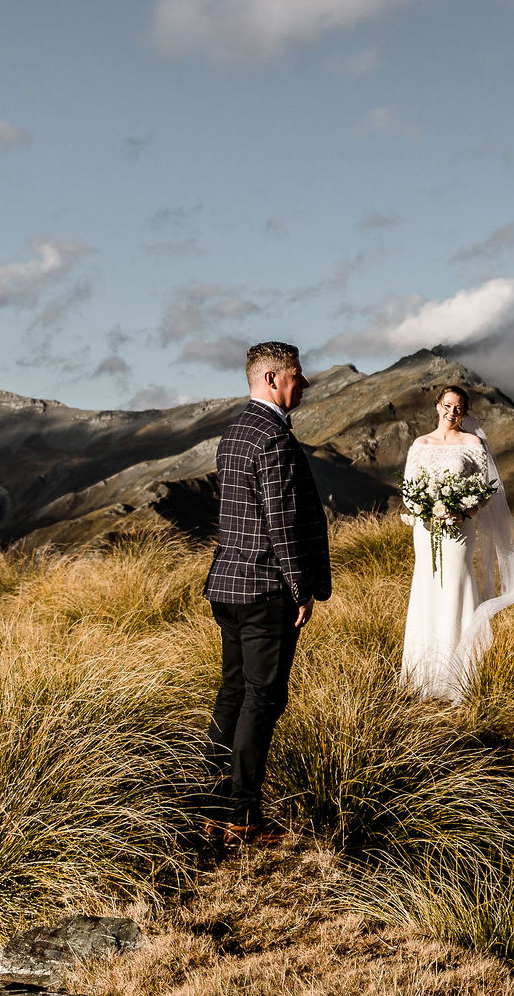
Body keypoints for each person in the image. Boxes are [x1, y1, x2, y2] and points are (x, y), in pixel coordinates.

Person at [202, 340, 331, 846]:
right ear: (273, 379)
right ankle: (243, 817)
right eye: (297, 375)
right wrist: (301, 589)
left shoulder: (234, 432)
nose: (304, 383)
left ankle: (211, 803)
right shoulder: (274, 439)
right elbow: (281, 524)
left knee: (233, 693)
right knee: (262, 699)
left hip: (227, 584)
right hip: (264, 590)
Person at [400, 385, 514, 702]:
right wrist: (425, 508)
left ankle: (458, 672)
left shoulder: (473, 443)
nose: (452, 412)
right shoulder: (421, 444)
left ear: (465, 412)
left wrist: (460, 510)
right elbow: (407, 490)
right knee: (426, 585)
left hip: (459, 529)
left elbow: (483, 493)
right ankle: (421, 675)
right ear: (437, 406)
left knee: (455, 583)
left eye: (458, 408)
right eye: (447, 405)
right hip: (426, 528)